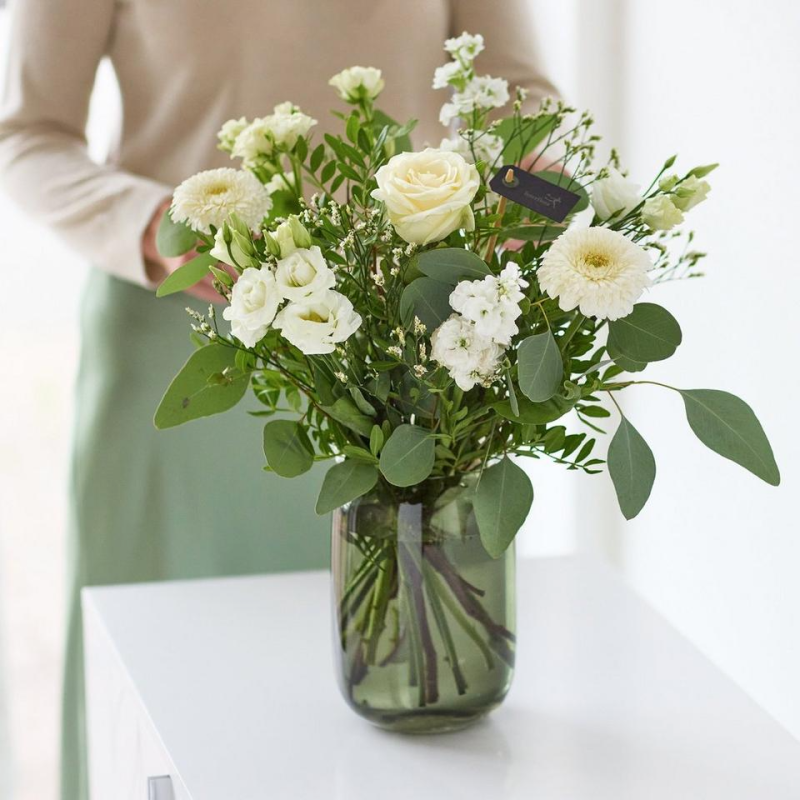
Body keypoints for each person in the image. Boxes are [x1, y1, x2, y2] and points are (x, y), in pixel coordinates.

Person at [0, 1, 558, 797]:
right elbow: (26, 133)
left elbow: (520, 107)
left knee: (401, 714)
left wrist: (546, 211)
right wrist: (153, 228)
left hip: (397, 350)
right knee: (166, 704)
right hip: (181, 343)